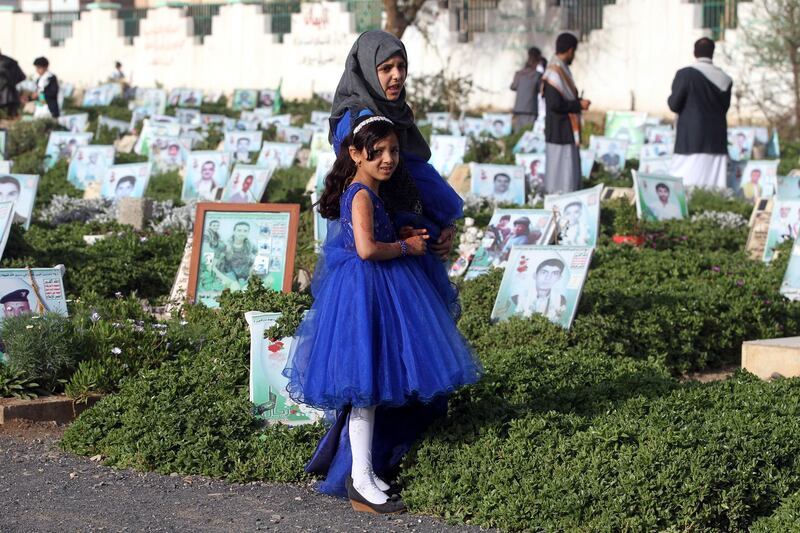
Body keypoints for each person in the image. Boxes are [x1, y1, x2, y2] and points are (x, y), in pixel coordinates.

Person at [283, 115, 482, 514]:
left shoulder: (369, 191)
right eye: (378, 152)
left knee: (368, 394)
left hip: (374, 290)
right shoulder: (359, 194)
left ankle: (365, 473)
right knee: (364, 392)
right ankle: (360, 479)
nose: (388, 159)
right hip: (365, 292)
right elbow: (366, 249)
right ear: (356, 154)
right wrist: (407, 248)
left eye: (393, 150)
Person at [668, 37, 732, 189]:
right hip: (717, 140)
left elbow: (674, 104)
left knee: (684, 185)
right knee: (714, 187)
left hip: (690, 139)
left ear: (694, 52)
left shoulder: (686, 75)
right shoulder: (726, 79)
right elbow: (725, 107)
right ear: (712, 53)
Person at [542, 33, 590, 194]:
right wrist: (578, 104)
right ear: (570, 50)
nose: (573, 56)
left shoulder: (562, 69)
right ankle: (560, 199)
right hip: (559, 129)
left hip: (565, 127)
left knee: (568, 168)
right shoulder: (554, 72)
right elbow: (555, 103)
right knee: (560, 170)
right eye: (573, 52)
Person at [214, 221, 256, 288]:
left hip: (245, 276)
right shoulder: (224, 245)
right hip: (227, 274)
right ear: (234, 231)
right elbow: (213, 267)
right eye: (239, 230)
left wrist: (250, 278)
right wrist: (230, 281)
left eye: (245, 231)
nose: (242, 233)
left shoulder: (251, 246)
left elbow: (255, 263)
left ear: (248, 232)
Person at [510, 47, 543, 133]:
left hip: (519, 108)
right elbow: (541, 90)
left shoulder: (519, 74)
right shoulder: (537, 75)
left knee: (518, 134)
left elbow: (513, 86)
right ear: (538, 59)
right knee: (528, 134)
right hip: (530, 109)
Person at [0, 50, 25, 118]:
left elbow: (21, 76)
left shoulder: (7, 63)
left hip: (8, 96)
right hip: (10, 96)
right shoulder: (10, 62)